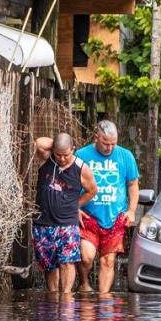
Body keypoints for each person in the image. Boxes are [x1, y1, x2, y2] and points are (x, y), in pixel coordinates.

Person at [75, 120, 140, 293]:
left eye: (113, 144)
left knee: (108, 260)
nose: (110, 148)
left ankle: (104, 301)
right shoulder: (81, 155)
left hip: (114, 217)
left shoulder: (125, 156)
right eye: (105, 143)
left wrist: (132, 211)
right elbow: (70, 185)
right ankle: (83, 282)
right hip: (88, 216)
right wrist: (75, 208)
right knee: (86, 257)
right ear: (96, 137)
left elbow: (133, 185)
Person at [32, 133, 98, 293]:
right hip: (44, 223)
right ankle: (53, 297)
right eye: (58, 154)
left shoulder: (81, 168)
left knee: (67, 262)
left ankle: (67, 297)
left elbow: (92, 190)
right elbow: (38, 143)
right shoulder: (47, 160)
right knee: (49, 264)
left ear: (73, 150)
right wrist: (56, 144)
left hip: (67, 224)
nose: (62, 159)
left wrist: (76, 205)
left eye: (66, 155)